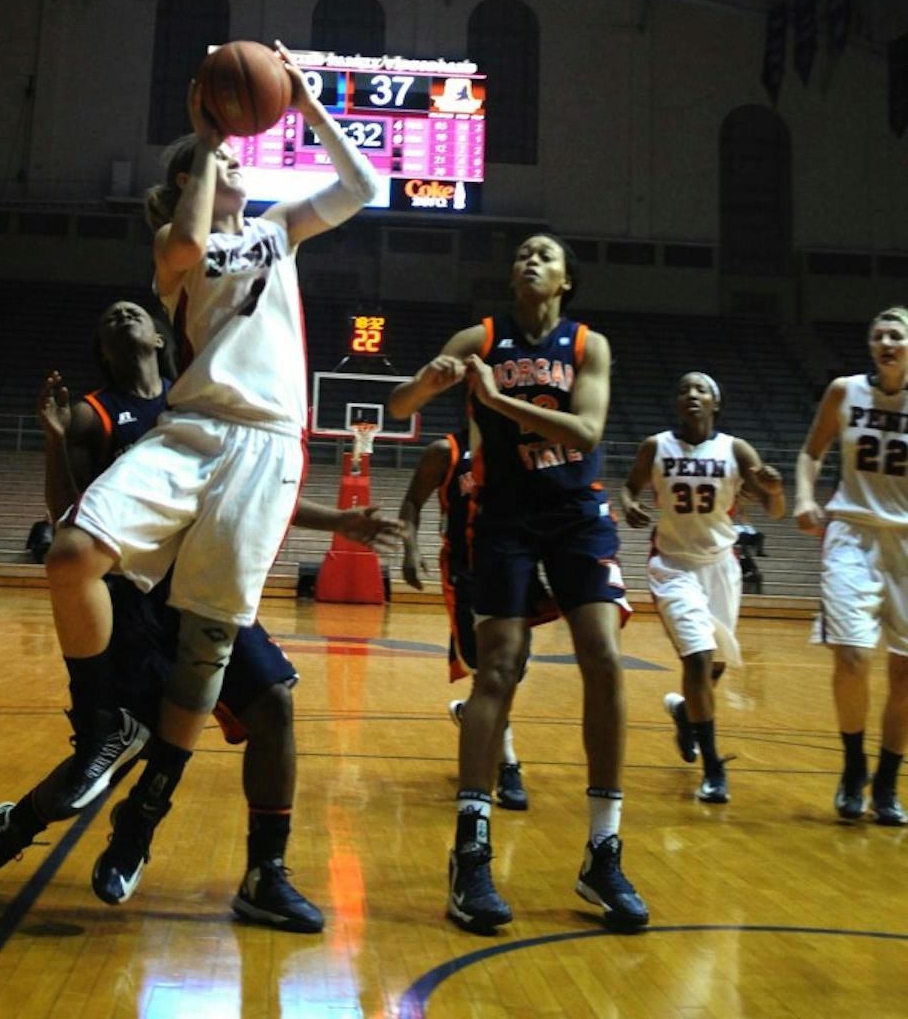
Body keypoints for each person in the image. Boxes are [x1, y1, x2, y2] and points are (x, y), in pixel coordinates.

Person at [42, 47, 380, 904]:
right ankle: (100, 729)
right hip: (193, 432)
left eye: (234, 153)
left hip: (266, 446)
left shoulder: (279, 231)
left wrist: (305, 104)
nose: (235, 159)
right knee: (71, 553)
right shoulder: (174, 243)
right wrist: (201, 142)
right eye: (220, 159)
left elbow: (363, 187)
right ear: (195, 170)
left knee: (209, 648)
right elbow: (189, 239)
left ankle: (148, 816)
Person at [0, 301, 401, 927]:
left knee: (274, 707)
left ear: (162, 336)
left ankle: (261, 872)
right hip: (137, 601)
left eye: (134, 311)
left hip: (209, 589)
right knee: (116, 748)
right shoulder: (93, 412)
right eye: (109, 318)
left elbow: (254, 492)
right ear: (105, 349)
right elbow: (67, 518)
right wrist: (54, 444)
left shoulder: (204, 404)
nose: (122, 316)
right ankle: (13, 827)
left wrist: (341, 518)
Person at [389, 233, 647, 935]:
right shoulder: (482, 337)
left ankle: (603, 851)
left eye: (545, 255)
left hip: (574, 512)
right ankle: (470, 855)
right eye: (521, 255)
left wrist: (498, 402)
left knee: (604, 655)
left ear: (566, 280)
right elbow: (399, 407)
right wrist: (433, 381)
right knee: (497, 669)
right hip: (500, 515)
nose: (528, 261)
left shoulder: (588, 345)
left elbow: (587, 430)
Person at [621, 372, 785, 803]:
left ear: (716, 403)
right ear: (677, 403)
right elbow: (629, 487)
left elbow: (776, 509)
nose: (691, 394)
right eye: (683, 389)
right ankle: (713, 769)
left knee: (714, 667)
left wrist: (775, 487)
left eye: (701, 390)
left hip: (721, 567)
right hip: (672, 566)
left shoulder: (735, 449)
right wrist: (630, 504)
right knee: (697, 660)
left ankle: (684, 713)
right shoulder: (655, 447)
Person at [399, 428, 559, 812]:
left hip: (514, 568)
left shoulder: (524, 449)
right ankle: (507, 764)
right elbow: (411, 503)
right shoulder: (447, 453)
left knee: (512, 669)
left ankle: (474, 716)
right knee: (491, 671)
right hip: (466, 573)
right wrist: (410, 549)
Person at [794, 305, 908, 827]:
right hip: (851, 534)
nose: (887, 342)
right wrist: (803, 497)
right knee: (852, 658)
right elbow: (811, 452)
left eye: (897, 335)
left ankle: (886, 782)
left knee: (905, 674)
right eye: (879, 334)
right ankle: (852, 765)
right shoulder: (844, 391)